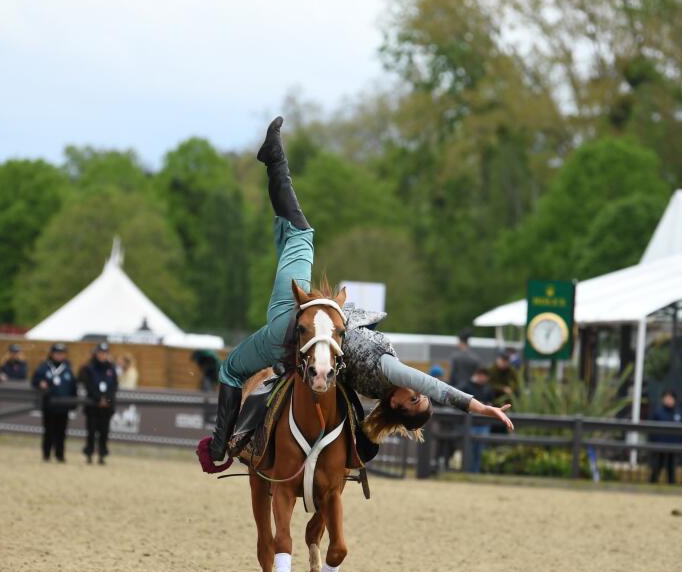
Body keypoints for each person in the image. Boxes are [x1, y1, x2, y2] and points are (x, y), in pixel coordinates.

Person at [205, 117, 513, 466]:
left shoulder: (387, 372)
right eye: (419, 398)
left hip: (297, 327)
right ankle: (274, 162)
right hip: (302, 321)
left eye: (413, 400)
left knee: (232, 368)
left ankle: (220, 443)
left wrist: (477, 406)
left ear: (395, 405)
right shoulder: (368, 393)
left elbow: (433, 386)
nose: (416, 393)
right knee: (293, 232)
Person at [31, 343, 76, 462]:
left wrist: (73, 404)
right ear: (52, 354)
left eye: (62, 354)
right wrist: (41, 383)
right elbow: (35, 380)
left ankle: (59, 455)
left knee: (61, 432)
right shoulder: (44, 366)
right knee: (48, 431)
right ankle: (46, 454)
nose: (59, 356)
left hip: (63, 406)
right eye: (57, 353)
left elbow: (73, 387)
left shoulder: (68, 368)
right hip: (49, 405)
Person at [79, 342, 118, 464]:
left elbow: (114, 386)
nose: (103, 355)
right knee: (91, 431)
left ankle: (102, 454)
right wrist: (98, 398)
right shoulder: (89, 368)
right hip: (93, 406)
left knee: (104, 432)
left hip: (106, 407)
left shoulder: (111, 368)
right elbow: (88, 385)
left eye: (105, 353)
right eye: (101, 353)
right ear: (96, 354)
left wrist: (107, 399)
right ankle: (89, 453)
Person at [458, 364, 497, 473]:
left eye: (484, 376)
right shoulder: (466, 386)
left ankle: (476, 472)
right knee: (468, 449)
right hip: (468, 423)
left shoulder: (488, 389)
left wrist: (487, 405)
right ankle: (466, 471)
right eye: (480, 375)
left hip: (483, 423)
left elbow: (492, 403)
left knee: (479, 450)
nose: (481, 378)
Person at [648, 389, 682, 484]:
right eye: (666, 398)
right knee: (657, 467)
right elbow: (652, 430)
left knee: (671, 469)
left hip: (673, 446)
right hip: (660, 445)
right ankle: (652, 484)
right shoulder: (658, 412)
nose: (668, 400)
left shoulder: (678, 413)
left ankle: (672, 485)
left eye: (670, 398)